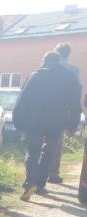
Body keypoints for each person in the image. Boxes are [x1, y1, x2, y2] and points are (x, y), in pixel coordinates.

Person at [14, 51, 82, 201]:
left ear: (44, 61)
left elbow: (23, 100)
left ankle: (30, 183)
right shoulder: (70, 78)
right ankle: (40, 184)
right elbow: (75, 104)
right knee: (48, 151)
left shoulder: (35, 76)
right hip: (56, 122)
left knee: (33, 151)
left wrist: (18, 121)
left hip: (35, 121)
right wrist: (73, 124)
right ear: (59, 61)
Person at [47, 43, 83, 184]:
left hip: (45, 110)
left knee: (40, 142)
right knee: (56, 143)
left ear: (56, 52)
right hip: (62, 112)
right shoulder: (74, 70)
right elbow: (75, 94)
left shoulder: (48, 67)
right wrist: (73, 119)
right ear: (68, 54)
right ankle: (53, 174)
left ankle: (36, 175)